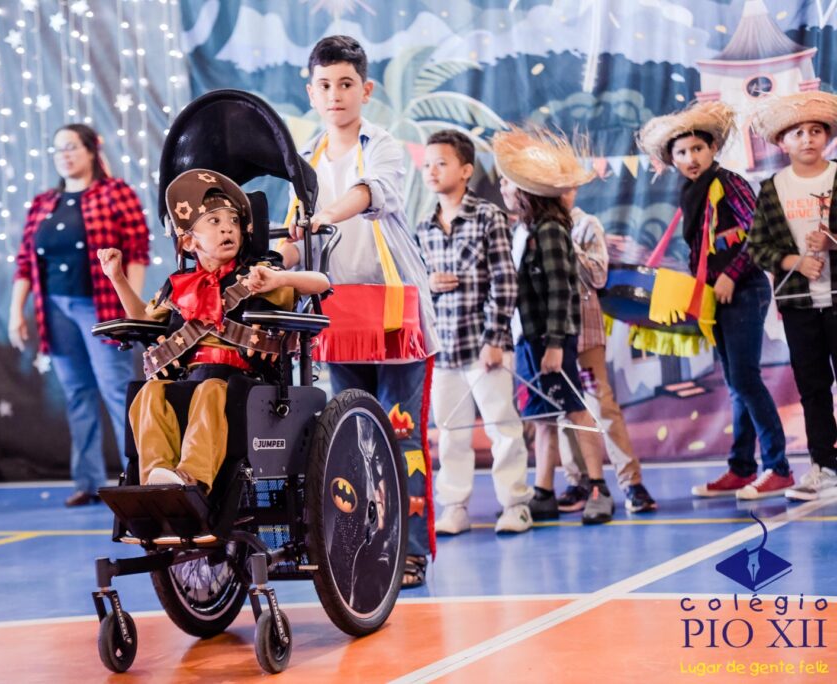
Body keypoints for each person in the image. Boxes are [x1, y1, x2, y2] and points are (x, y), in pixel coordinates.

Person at [280, 35, 439, 589]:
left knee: (402, 436)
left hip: (396, 317)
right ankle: (368, 546)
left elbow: (370, 193)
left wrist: (322, 216)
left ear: (365, 90)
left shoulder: (385, 146)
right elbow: (295, 241)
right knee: (350, 438)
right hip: (339, 318)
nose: (335, 94)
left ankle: (410, 552)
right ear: (311, 92)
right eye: (324, 85)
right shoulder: (305, 162)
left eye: (346, 83)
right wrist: (265, 265)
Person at [99, 169, 329, 491]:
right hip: (190, 375)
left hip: (245, 379)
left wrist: (280, 279)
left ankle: (191, 481)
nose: (227, 228)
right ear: (188, 240)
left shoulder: (259, 274)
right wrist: (117, 278)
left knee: (210, 391)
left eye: (234, 221)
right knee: (149, 393)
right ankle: (156, 481)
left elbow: (322, 283)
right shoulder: (178, 287)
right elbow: (143, 319)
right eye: (214, 221)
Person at [637, 101, 791, 500]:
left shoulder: (729, 182)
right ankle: (741, 469)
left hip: (744, 290)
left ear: (713, 150)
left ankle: (779, 468)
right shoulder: (692, 192)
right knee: (737, 383)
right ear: (672, 159)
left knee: (745, 379)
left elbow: (757, 234)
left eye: (698, 149)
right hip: (716, 296)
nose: (691, 158)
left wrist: (729, 274)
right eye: (682, 152)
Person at [9, 124, 150, 507]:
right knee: (77, 394)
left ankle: (139, 479)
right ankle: (88, 482)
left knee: (117, 391)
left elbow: (137, 250)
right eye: (58, 149)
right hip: (54, 308)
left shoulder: (115, 193)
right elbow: (24, 262)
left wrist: (132, 306)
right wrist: (16, 311)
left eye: (71, 147)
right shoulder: (44, 203)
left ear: (90, 151)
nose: (65, 155)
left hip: (100, 307)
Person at [415, 129, 533, 535]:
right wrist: (429, 283)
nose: (432, 171)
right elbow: (416, 284)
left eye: (441, 163)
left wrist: (495, 339)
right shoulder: (423, 226)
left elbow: (505, 280)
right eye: (427, 164)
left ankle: (515, 504)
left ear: (466, 170)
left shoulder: (488, 216)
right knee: (450, 433)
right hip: (443, 347)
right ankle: (455, 507)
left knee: (503, 427)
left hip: (483, 346)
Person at [495, 126, 615, 525]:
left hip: (550, 339)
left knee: (576, 410)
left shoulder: (549, 231)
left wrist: (554, 345)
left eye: (509, 184)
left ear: (526, 193)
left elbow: (562, 290)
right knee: (543, 417)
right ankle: (544, 490)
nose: (504, 189)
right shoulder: (525, 230)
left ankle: (598, 487)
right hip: (531, 337)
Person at [747, 91, 837, 501]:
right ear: (783, 142)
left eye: (815, 130)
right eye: (797, 132)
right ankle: (824, 466)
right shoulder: (773, 188)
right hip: (800, 304)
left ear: (827, 137)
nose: (807, 139)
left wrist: (832, 241)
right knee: (813, 387)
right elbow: (756, 246)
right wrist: (792, 262)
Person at [551, 189, 657, 514]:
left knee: (601, 401)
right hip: (552, 333)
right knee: (563, 408)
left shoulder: (586, 225)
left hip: (585, 330)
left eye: (566, 187)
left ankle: (630, 482)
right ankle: (578, 481)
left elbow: (598, 276)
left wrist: (562, 242)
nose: (560, 194)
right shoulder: (532, 225)